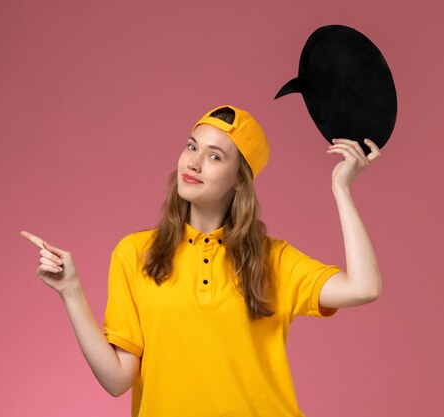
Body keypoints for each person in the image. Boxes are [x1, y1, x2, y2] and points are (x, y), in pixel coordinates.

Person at [21, 104, 382, 416]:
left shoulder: (273, 260)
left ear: (240, 181)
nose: (192, 162)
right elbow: (117, 381)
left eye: (214, 156)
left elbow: (364, 288)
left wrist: (342, 188)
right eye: (191, 146)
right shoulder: (135, 254)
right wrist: (70, 291)